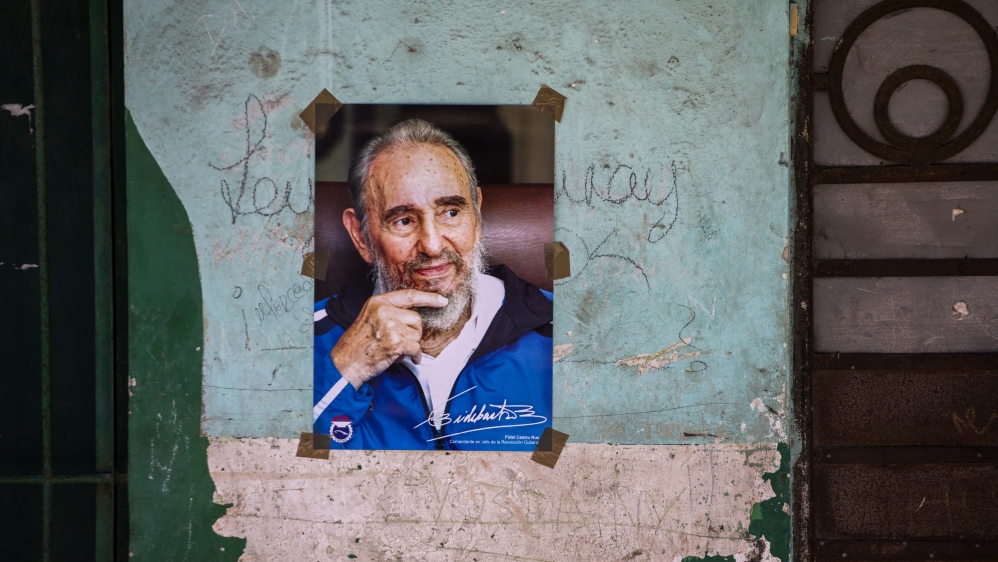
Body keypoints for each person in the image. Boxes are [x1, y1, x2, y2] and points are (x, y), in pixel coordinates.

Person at [313, 119, 552, 450]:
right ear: (361, 236)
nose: (433, 244)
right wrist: (342, 372)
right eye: (403, 220)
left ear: (477, 216)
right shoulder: (303, 342)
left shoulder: (565, 333)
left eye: (451, 212)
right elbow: (268, 481)